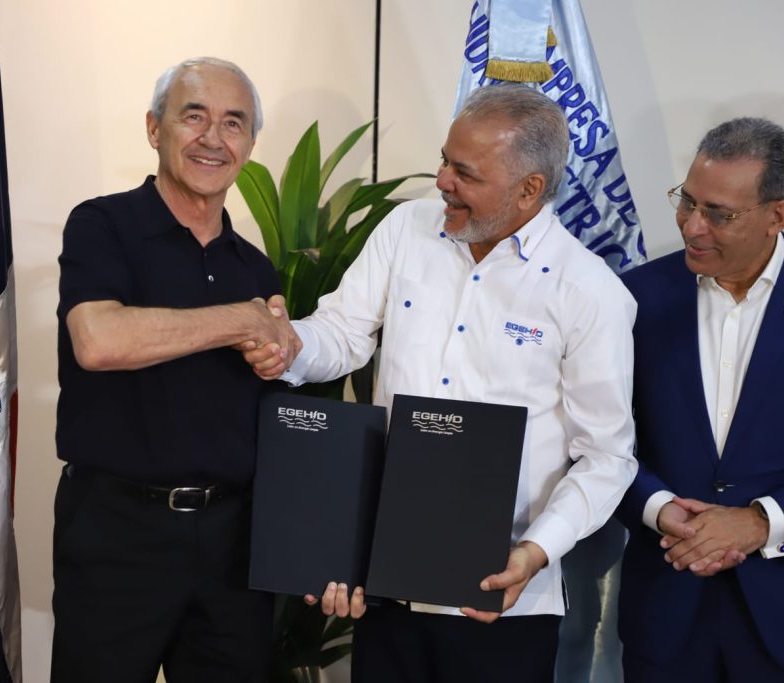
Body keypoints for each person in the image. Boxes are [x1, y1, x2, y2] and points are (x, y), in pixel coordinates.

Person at [244, 84, 638, 682]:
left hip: (503, 603)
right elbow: (344, 333)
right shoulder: (406, 228)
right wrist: (287, 344)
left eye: (465, 173)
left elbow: (606, 457)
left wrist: (532, 554)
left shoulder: (590, 293)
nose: (442, 181)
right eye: (444, 161)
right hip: (389, 585)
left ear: (530, 189)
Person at [50, 57, 298, 682]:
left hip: (233, 547)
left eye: (233, 123)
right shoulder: (102, 225)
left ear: (250, 144)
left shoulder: (255, 268)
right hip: (117, 536)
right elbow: (99, 340)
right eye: (194, 117)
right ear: (154, 128)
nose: (213, 138)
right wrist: (240, 322)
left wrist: (278, 350)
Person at [616, 118, 784, 682]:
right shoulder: (633, 298)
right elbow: (596, 440)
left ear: (777, 215)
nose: (692, 226)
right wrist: (659, 508)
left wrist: (762, 523)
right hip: (666, 613)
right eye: (687, 202)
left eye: (718, 213)